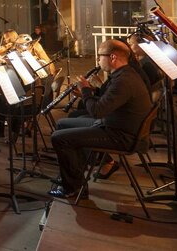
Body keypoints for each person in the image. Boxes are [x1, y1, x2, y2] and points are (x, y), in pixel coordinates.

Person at [47, 39, 152, 200]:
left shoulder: (123, 81)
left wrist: (87, 91)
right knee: (62, 124)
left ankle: (72, 188)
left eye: (99, 56)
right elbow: (109, 101)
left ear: (113, 57)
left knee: (59, 138)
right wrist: (89, 93)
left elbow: (97, 111)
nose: (97, 60)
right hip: (114, 124)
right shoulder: (124, 74)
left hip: (121, 135)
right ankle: (72, 176)